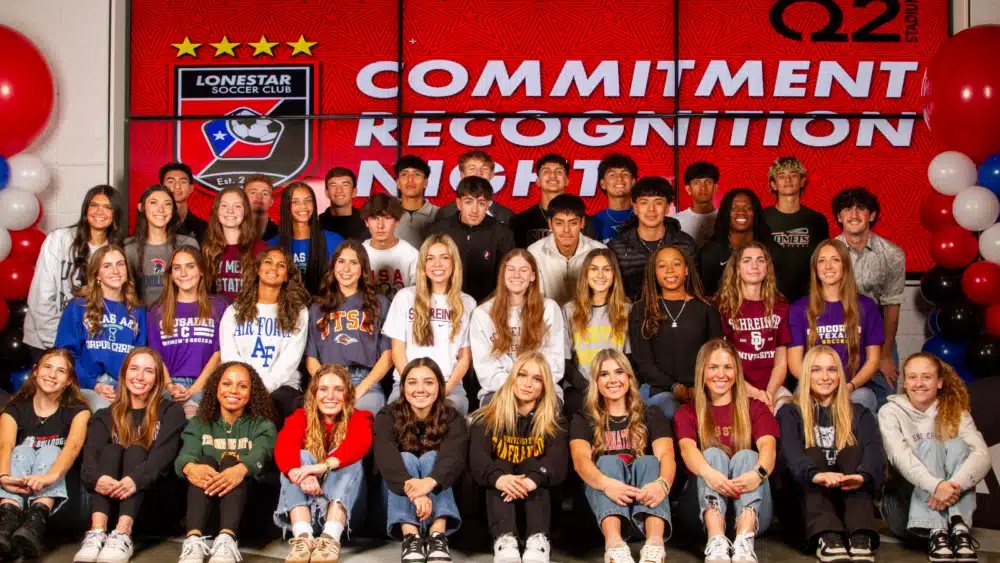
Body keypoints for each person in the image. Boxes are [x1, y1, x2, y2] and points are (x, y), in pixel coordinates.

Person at [75, 347, 186, 563]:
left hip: (154, 505)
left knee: (135, 450)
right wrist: (99, 480)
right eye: (134, 369)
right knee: (112, 450)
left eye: (148, 371)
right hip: (111, 505)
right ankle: (97, 532)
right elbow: (88, 465)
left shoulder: (171, 411)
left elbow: (161, 459)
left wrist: (134, 480)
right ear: (124, 373)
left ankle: (123, 534)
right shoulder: (104, 416)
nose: (139, 377)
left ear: (157, 379)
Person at [775, 346, 884, 563]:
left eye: (831, 370)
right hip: (805, 505)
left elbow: (875, 452)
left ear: (840, 375)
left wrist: (862, 476)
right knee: (813, 453)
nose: (825, 377)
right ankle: (827, 536)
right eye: (816, 370)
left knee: (853, 451)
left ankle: (859, 536)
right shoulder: (790, 412)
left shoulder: (859, 413)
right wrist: (815, 474)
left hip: (847, 501)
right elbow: (790, 455)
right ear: (807, 375)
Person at [674, 339, 778, 563]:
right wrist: (710, 473)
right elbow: (687, 450)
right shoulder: (687, 412)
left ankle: (744, 540)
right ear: (702, 371)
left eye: (728, 367)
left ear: (736, 372)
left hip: (752, 509)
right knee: (711, 455)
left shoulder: (755, 407)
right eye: (713, 367)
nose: (721, 374)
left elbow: (768, 447)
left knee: (748, 456)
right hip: (699, 513)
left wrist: (757, 473)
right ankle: (716, 539)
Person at [879, 353, 988, 563]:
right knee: (930, 445)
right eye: (912, 377)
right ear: (905, 382)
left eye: (926, 377)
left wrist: (951, 487)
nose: (918, 383)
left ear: (939, 383)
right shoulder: (890, 412)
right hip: (905, 509)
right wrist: (936, 486)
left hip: (950, 505)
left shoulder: (956, 412)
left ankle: (959, 527)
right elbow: (900, 457)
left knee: (958, 445)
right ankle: (936, 530)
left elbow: (982, 455)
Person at [570, 349, 674, 563]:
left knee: (649, 461)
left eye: (619, 372)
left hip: (642, 511)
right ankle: (615, 546)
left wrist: (662, 484)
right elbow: (580, 462)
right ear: (596, 381)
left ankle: (655, 544)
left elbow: (667, 456)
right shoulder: (583, 419)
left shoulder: (651, 414)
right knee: (607, 462)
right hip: (601, 514)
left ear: (629, 376)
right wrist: (607, 484)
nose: (613, 380)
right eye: (604, 374)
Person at [174, 361, 278, 563]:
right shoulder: (200, 423)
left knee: (231, 462)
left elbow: (261, 456)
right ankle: (193, 540)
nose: (233, 391)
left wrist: (240, 468)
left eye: (242, 386)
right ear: (216, 388)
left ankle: (228, 539)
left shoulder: (263, 425)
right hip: (207, 512)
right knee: (203, 462)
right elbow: (185, 456)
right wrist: (190, 467)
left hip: (248, 514)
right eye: (227, 384)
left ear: (251, 392)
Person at [469, 351, 568, 563]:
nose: (528, 383)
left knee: (532, 464)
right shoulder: (486, 416)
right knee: (501, 464)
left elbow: (557, 464)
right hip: (497, 511)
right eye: (522, 375)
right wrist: (500, 479)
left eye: (537, 379)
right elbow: (477, 461)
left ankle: (537, 539)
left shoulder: (554, 421)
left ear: (544, 387)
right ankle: (505, 540)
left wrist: (533, 479)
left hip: (539, 508)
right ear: (512, 378)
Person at [273, 364, 374, 563]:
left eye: (338, 389)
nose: (331, 396)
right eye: (324, 389)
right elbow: (284, 448)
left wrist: (325, 465)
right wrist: (301, 473)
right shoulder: (299, 418)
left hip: (346, 516)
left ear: (348, 394)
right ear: (314, 393)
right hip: (309, 510)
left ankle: (330, 538)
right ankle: (302, 537)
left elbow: (358, 444)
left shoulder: (360, 418)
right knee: (298, 457)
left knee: (345, 459)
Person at [373, 358, 468, 563]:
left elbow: (454, 458)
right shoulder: (387, 416)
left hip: (440, 503)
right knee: (405, 458)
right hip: (395, 504)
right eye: (412, 382)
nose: (420, 389)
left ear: (439, 387)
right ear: (403, 387)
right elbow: (385, 459)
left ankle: (437, 536)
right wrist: (417, 494)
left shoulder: (453, 418)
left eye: (428, 382)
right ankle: (411, 537)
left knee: (433, 457)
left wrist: (429, 483)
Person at [0, 348, 90, 559]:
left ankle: (36, 521)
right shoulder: (15, 408)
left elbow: (73, 446)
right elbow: (5, 445)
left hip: (63, 501)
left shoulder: (79, 411)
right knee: (22, 450)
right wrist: (4, 477)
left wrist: (49, 477)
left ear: (69, 380)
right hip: (16, 494)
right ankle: (6, 522)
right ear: (35, 370)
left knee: (50, 450)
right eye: (47, 367)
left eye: (60, 371)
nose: (52, 375)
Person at [25, 185, 123, 360]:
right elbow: (41, 296)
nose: (100, 211)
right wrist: (59, 343)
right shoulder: (59, 239)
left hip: (88, 344)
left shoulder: (115, 252)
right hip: (47, 340)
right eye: (94, 205)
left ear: (115, 214)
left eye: (108, 207)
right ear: (85, 209)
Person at [788, 239, 884, 415]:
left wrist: (849, 386)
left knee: (863, 399)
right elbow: (795, 363)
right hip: (812, 387)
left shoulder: (866, 306)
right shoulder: (799, 308)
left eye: (835, 259)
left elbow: (873, 360)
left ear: (845, 265)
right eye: (822, 261)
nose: (828, 266)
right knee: (800, 403)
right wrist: (818, 387)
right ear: (815, 269)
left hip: (853, 387)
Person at [383, 235, 476, 416]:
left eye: (444, 257)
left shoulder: (468, 303)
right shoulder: (405, 297)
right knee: (394, 415)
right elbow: (398, 352)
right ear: (423, 265)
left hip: (449, 386)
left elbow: (464, 358)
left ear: (454, 263)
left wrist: (442, 391)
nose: (437, 264)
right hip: (406, 384)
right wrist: (414, 387)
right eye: (430, 258)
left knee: (450, 413)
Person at [832, 187, 906, 407]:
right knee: (839, 395)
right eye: (847, 209)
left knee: (885, 397)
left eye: (861, 209)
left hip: (878, 333)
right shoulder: (827, 253)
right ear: (839, 217)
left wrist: (885, 355)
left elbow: (892, 305)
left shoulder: (892, 254)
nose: (854, 215)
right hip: (838, 331)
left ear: (872, 215)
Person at [629, 246, 722, 420]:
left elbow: (715, 358)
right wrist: (674, 387)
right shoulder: (641, 309)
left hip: (702, 389)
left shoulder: (707, 309)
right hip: (657, 389)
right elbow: (643, 362)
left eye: (676, 264)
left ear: (686, 269)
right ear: (654, 273)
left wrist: (700, 387)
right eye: (662, 266)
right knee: (674, 412)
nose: (670, 270)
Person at [220, 247, 310, 423]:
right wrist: (245, 385)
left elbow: (290, 359)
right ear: (258, 269)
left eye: (281, 265)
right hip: (240, 385)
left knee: (277, 404)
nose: (273, 268)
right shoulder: (234, 311)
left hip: (282, 387)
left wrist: (264, 388)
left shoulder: (299, 312)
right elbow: (229, 355)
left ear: (287, 276)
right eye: (268, 262)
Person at [55, 245, 147, 411]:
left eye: (120, 264)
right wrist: (94, 384)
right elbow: (65, 354)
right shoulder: (79, 306)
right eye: (107, 266)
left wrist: (126, 387)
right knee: (103, 413)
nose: (116, 270)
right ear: (96, 274)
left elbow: (140, 355)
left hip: (126, 386)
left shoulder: (137, 310)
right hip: (88, 385)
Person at [307, 240, 393, 414]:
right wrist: (328, 386)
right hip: (327, 378)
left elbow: (388, 355)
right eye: (341, 262)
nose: (346, 269)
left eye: (353, 263)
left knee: (363, 411)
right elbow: (311, 359)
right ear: (333, 266)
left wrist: (359, 390)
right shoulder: (317, 307)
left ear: (363, 269)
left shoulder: (379, 304)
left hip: (364, 379)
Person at [470, 250, 565, 407]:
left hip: (542, 390)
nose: (516, 275)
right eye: (511, 269)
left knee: (544, 412)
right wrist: (516, 387)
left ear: (533, 276)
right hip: (498, 390)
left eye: (523, 270)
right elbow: (486, 368)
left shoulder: (549, 309)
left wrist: (532, 385)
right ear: (503, 274)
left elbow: (554, 364)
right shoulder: (483, 314)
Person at [148, 246, 227, 418]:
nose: (183, 273)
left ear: (201, 271)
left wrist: (194, 389)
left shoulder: (219, 306)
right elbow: (155, 356)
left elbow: (219, 353)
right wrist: (170, 386)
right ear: (170, 274)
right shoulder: (157, 310)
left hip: (207, 384)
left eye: (190, 266)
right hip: (169, 385)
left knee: (194, 419)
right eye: (177, 268)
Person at [715, 242, 791, 411]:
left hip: (773, 386)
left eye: (760, 260)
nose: (754, 266)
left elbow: (780, 363)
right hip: (735, 385)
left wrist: (769, 394)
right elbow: (722, 363)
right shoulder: (722, 307)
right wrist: (755, 393)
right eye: (747, 260)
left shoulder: (780, 306)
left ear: (767, 267)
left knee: (789, 410)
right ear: (737, 267)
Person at [563, 249, 630, 416]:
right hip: (581, 389)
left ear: (614, 274)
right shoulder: (569, 310)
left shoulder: (627, 310)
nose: (600, 275)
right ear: (585, 273)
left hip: (617, 387)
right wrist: (589, 388)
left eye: (607, 269)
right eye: (594, 269)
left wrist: (612, 386)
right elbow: (564, 362)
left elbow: (631, 360)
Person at [427, 176, 515, 303]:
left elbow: (507, 276)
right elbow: (427, 269)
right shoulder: (439, 230)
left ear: (489, 204)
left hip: (487, 305)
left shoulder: (502, 233)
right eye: (468, 202)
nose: (474, 210)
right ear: (458, 203)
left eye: (481, 203)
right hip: (445, 303)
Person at [608, 177, 697, 301]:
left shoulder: (685, 244)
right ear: (635, 207)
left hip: (676, 316)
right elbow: (612, 294)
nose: (651, 209)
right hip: (631, 315)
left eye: (658, 202)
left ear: (667, 208)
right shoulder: (617, 247)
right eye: (644, 202)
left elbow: (693, 289)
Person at [763, 157, 830, 303]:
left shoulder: (817, 220)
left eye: (793, 175)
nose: (788, 180)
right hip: (770, 299)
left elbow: (824, 262)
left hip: (809, 299)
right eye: (781, 176)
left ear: (802, 181)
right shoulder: (761, 218)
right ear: (774, 184)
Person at [125, 184, 199, 306]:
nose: (161, 209)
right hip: (145, 322)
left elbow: (199, 289)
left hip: (181, 320)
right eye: (153, 202)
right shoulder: (129, 250)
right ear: (141, 207)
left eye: (167, 204)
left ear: (173, 210)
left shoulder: (188, 244)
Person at [528, 194, 606, 306]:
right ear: (550, 224)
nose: (566, 230)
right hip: (548, 318)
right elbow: (535, 300)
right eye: (559, 223)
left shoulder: (599, 251)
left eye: (573, 223)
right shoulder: (535, 252)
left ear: (582, 223)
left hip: (588, 318)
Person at [268, 181, 344, 295]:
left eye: (308, 200)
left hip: (324, 308)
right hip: (286, 310)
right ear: (286, 206)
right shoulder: (271, 246)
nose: (303, 206)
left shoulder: (334, 241)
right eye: (295, 202)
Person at [511, 154, 596, 248]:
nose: (552, 175)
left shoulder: (584, 221)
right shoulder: (521, 221)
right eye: (546, 171)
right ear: (538, 181)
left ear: (567, 181)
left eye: (559, 172)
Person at [696, 189, 769, 298]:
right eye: (733, 208)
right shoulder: (709, 253)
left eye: (748, 208)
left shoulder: (769, 250)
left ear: (756, 213)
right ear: (726, 213)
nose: (741, 212)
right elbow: (705, 298)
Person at [201, 187, 269, 302]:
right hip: (218, 317)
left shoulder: (262, 250)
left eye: (237, 206)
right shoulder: (207, 249)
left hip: (249, 316)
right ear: (216, 211)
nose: (230, 211)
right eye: (224, 205)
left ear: (245, 211)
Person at [362, 193, 419, 301]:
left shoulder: (411, 254)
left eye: (387, 218)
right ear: (366, 222)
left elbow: (419, 294)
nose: (380, 225)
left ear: (397, 221)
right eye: (374, 218)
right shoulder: (358, 253)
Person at [436, 150, 515, 225]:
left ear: (492, 175)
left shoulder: (506, 215)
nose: (478, 173)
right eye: (472, 169)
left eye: (484, 169)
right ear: (462, 175)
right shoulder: (445, 213)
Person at [590, 154, 637, 243]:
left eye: (625, 174)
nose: (619, 178)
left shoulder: (645, 218)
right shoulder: (592, 222)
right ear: (603, 184)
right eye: (612, 175)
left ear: (633, 182)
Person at [394, 155, 438, 249]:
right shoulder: (385, 213)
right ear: (398, 183)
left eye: (417, 174)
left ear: (425, 183)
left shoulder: (440, 214)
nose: (410, 179)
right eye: (404, 174)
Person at [675, 162, 721, 249]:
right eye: (697, 183)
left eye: (708, 182)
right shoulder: (676, 222)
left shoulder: (726, 219)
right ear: (688, 189)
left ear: (715, 188)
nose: (703, 188)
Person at [318, 167, 371, 241]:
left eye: (345, 185)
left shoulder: (369, 224)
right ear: (327, 193)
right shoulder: (316, 226)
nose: (339, 190)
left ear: (354, 192)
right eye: (333, 185)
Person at [161, 163, 208, 243]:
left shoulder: (203, 227)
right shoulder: (153, 224)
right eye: (171, 181)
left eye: (183, 182)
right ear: (161, 187)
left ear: (191, 188)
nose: (177, 187)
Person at [244, 174, 279, 241]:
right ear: (243, 198)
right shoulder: (229, 233)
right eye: (253, 192)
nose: (259, 196)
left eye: (265, 193)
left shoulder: (281, 235)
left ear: (271, 201)